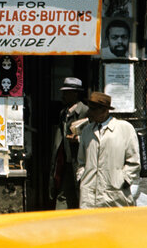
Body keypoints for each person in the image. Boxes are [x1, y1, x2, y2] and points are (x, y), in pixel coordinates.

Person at [76, 92, 140, 209]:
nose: (90, 112)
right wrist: (81, 176)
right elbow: (81, 160)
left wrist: (124, 179)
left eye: (94, 109)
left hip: (114, 193)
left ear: (104, 110)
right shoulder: (87, 131)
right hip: (89, 195)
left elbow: (133, 161)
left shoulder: (124, 129)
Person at [50, 77, 89, 209]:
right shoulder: (64, 113)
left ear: (75, 93)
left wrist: (78, 139)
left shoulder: (85, 111)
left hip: (79, 161)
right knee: (63, 194)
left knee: (80, 193)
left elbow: (92, 137)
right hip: (66, 161)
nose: (64, 96)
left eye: (67, 92)